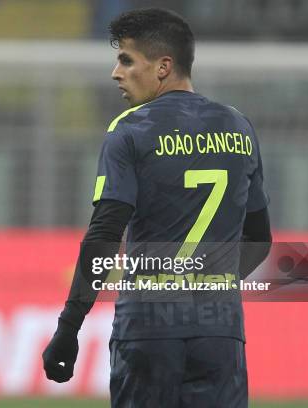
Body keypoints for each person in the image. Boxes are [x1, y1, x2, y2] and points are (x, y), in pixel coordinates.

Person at [42, 8, 272, 408]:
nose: (116, 72)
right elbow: (260, 240)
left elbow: (104, 236)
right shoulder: (239, 128)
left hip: (148, 332)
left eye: (127, 60)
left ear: (163, 66)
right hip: (220, 335)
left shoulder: (130, 130)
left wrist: (68, 327)